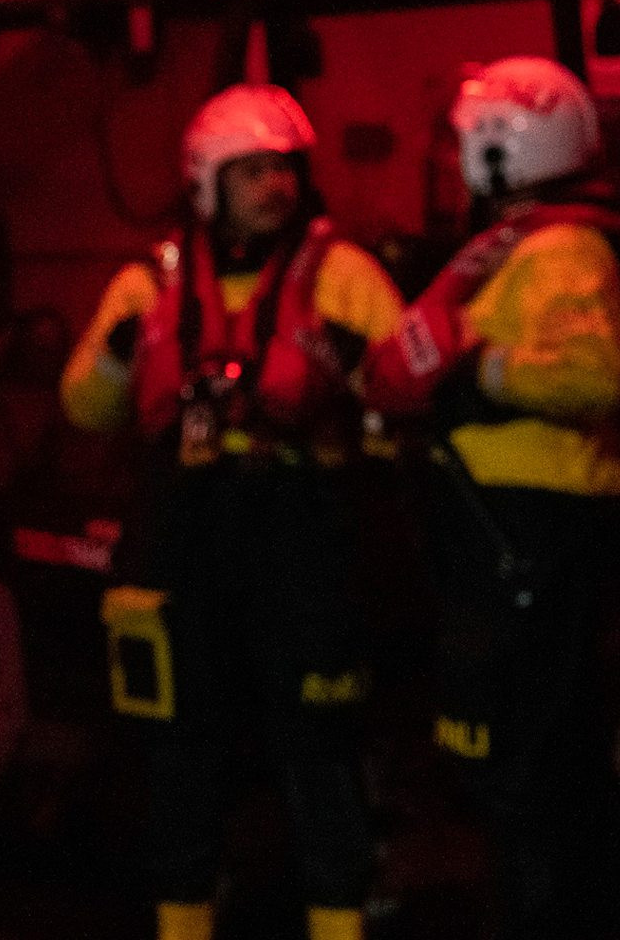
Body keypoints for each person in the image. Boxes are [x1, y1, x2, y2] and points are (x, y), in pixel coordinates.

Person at [61, 85, 402, 940]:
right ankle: (183, 923)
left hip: (302, 537)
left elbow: (401, 397)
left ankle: (340, 922)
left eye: (283, 170)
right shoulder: (147, 286)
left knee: (320, 748)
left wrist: (351, 365)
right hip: (183, 538)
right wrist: (117, 355)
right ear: (206, 183)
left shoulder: (343, 277)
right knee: (179, 751)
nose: (274, 188)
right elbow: (85, 408)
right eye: (251, 172)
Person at [362, 56, 620, 940]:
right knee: (521, 760)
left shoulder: (559, 251)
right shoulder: (526, 242)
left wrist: (478, 371)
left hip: (534, 534)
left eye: (467, 142)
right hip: (503, 531)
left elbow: (593, 371)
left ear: (503, 151)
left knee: (535, 766)